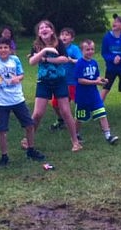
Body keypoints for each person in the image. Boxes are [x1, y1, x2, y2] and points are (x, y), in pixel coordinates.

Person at [0, 37, 44, 166]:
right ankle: (4, 156)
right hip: (1, 102)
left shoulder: (15, 59)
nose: (3, 50)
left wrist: (18, 78)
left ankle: (31, 149)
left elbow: (21, 74)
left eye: (6, 47)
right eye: (0, 48)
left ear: (10, 49)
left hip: (17, 99)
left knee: (29, 125)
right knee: (2, 130)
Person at [29, 20, 82, 152]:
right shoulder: (36, 45)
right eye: (41, 28)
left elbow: (64, 59)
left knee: (65, 111)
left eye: (47, 27)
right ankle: (28, 140)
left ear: (52, 31)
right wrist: (45, 50)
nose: (44, 29)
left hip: (59, 80)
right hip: (43, 81)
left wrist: (46, 59)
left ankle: (75, 141)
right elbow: (32, 61)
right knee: (37, 114)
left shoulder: (59, 43)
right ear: (38, 33)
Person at [74, 39, 119, 145]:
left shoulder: (94, 62)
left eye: (92, 49)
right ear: (82, 51)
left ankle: (108, 136)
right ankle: (75, 134)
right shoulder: (80, 63)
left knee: (102, 113)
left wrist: (102, 80)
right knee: (80, 117)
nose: (90, 51)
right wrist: (96, 82)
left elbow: (96, 76)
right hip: (82, 97)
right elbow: (80, 80)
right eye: (87, 49)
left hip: (94, 95)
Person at [49, 27, 81, 131]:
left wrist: (72, 60)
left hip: (72, 81)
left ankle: (77, 122)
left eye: (67, 35)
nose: (64, 36)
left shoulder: (74, 49)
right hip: (58, 81)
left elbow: (81, 61)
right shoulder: (56, 47)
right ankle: (61, 120)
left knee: (77, 103)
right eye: (62, 34)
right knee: (54, 104)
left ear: (72, 38)